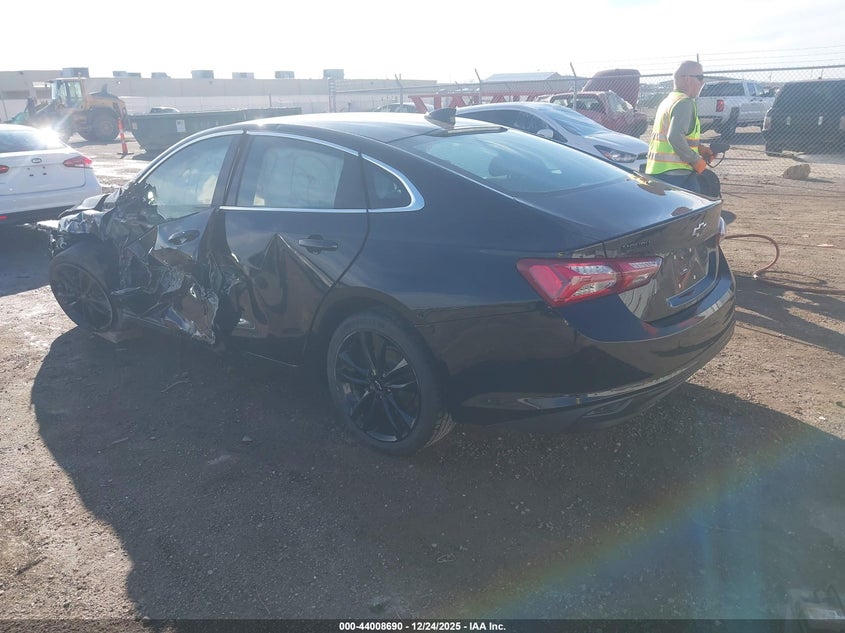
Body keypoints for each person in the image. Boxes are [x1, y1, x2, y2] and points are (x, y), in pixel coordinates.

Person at [645, 60, 715, 194]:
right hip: (678, 176)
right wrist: (696, 161)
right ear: (687, 79)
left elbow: (672, 135)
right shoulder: (684, 102)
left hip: (658, 172)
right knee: (692, 213)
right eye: (700, 78)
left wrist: (700, 149)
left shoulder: (668, 100)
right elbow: (674, 137)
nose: (702, 83)